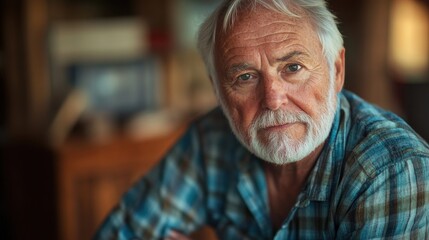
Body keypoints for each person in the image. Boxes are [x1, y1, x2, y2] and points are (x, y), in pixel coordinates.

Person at [94, 0, 429, 239]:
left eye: (293, 68)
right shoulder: (211, 139)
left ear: (336, 70)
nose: (272, 99)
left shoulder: (392, 169)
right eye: (245, 77)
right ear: (217, 89)